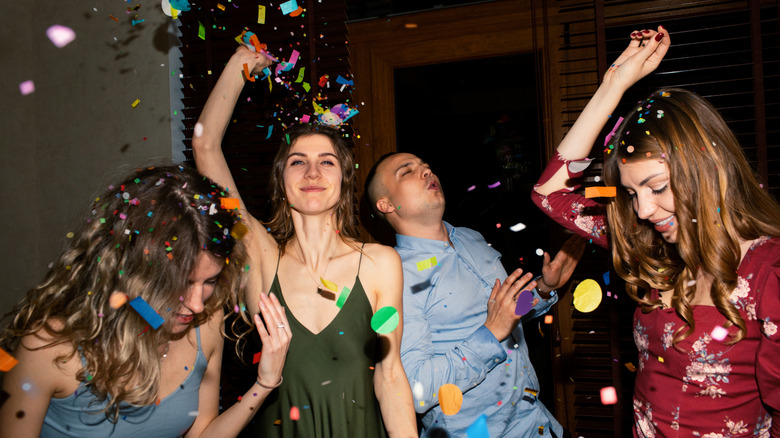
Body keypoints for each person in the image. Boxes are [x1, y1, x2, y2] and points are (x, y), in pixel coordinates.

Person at [533, 26, 780, 435]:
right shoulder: (652, 247)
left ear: (710, 171)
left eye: (658, 187)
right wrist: (614, 84)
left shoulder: (768, 273)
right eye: (631, 193)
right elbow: (549, 193)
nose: (644, 210)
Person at [191, 45, 417, 437]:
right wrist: (240, 64)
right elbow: (205, 145)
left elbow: (391, 374)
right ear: (282, 182)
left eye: (327, 161)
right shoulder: (259, 256)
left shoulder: (382, 263)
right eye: (298, 161)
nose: (312, 171)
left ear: (344, 182)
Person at [0, 165, 291, 438]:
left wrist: (264, 384)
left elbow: (202, 433)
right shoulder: (48, 345)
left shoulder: (207, 323)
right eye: (181, 283)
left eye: (210, 281)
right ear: (133, 271)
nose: (198, 304)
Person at [365, 152, 586, 437]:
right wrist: (490, 333)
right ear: (385, 204)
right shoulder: (397, 277)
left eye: (427, 167)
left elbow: (508, 312)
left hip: (538, 423)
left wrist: (544, 288)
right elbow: (416, 390)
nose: (427, 172)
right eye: (407, 171)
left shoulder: (471, 238)